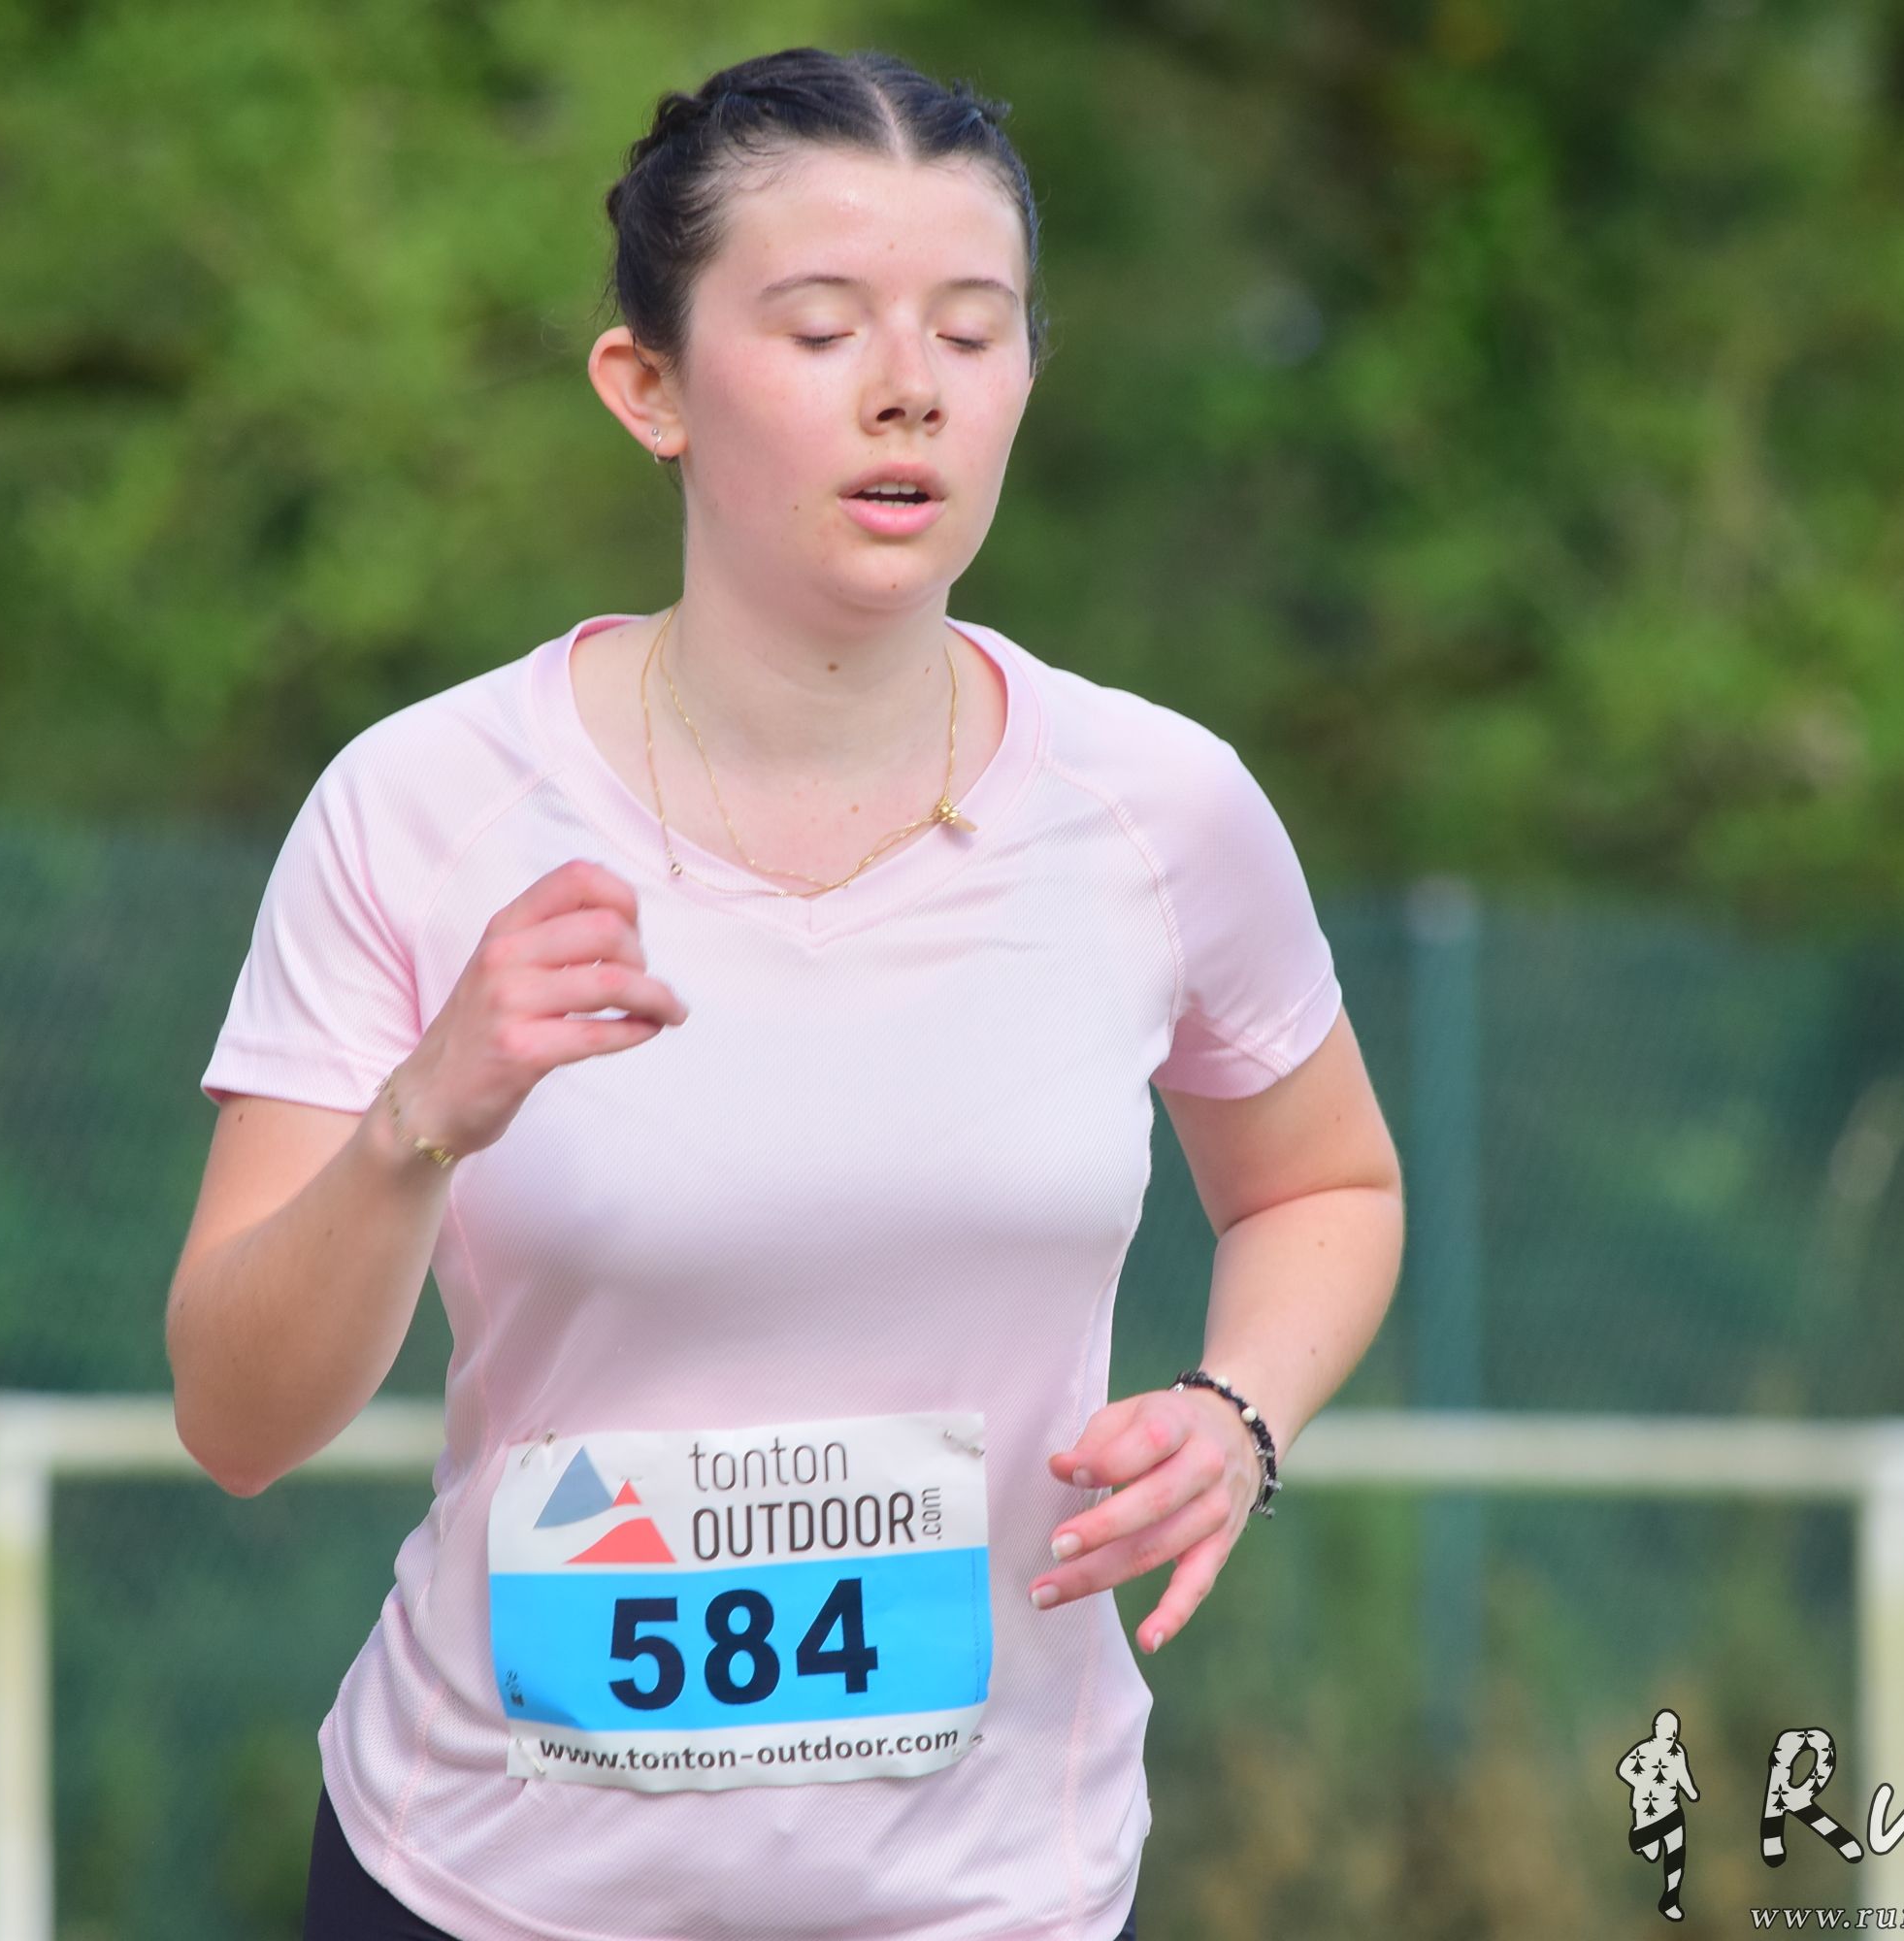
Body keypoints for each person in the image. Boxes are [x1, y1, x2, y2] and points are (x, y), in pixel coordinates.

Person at [167, 45, 1405, 1941]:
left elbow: (1326, 1182)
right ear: (645, 388)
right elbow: (238, 1421)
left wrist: (1238, 1417)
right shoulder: (421, 808)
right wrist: (416, 1119)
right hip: (482, 1886)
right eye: (822, 328)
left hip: (995, 1896)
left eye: (972, 330)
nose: (909, 385)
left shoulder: (1159, 809)